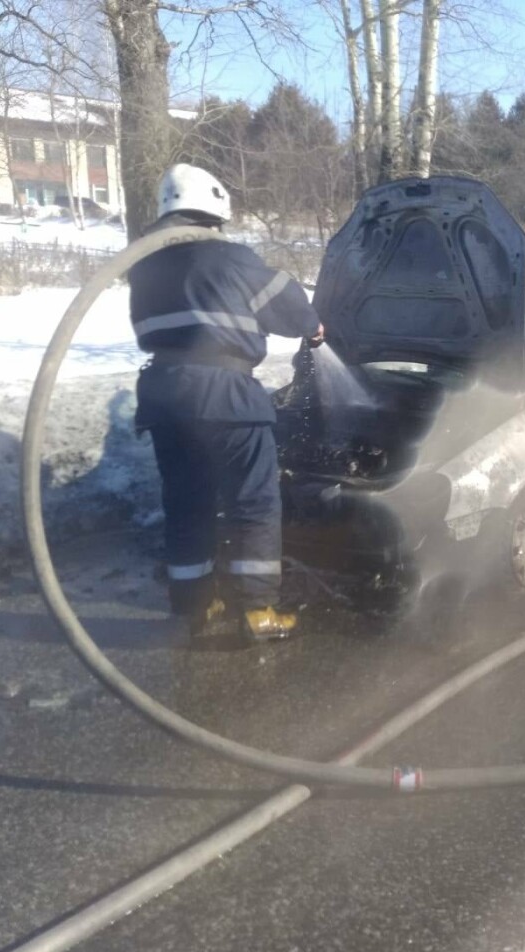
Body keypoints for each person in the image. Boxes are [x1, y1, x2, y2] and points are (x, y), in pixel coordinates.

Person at [130, 163, 325, 642]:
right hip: (224, 393)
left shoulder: (144, 266)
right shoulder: (233, 260)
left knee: (187, 501)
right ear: (216, 211)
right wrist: (312, 326)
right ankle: (258, 611)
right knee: (254, 502)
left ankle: (197, 606)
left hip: (164, 395)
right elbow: (290, 305)